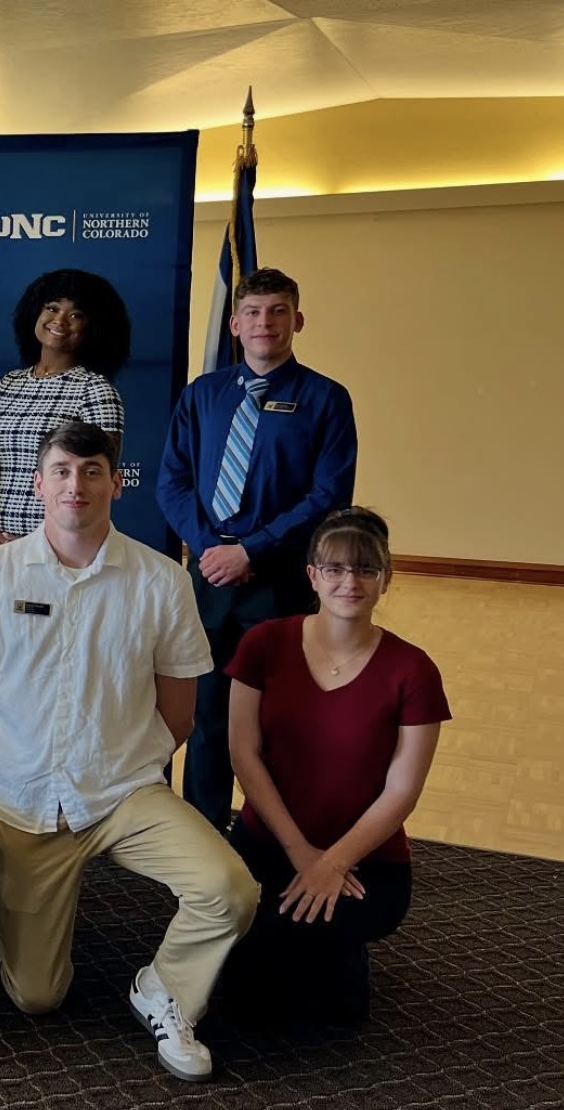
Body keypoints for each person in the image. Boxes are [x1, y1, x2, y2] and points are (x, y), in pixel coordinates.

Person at [0, 421, 257, 1083]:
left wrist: (119, 762)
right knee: (35, 996)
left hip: (123, 793)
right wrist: (31, 755)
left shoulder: (160, 582)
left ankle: (166, 990)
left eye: (91, 471)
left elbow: (178, 711)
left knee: (228, 891)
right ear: (37, 484)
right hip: (22, 798)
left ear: (117, 483)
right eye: (61, 470)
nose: (75, 485)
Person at [222, 508, 448, 1023]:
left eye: (366, 570)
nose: (350, 582)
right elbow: (244, 754)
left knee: (325, 1003)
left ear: (386, 580)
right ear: (312, 576)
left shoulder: (413, 669)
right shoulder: (264, 644)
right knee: (242, 967)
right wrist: (303, 853)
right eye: (335, 569)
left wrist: (333, 862)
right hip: (270, 840)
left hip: (366, 859)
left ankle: (338, 959)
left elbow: (401, 792)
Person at [156, 267, 358, 831]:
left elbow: (329, 493)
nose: (264, 323)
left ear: (297, 320)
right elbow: (172, 482)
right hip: (210, 577)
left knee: (281, 710)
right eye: (253, 313)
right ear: (234, 324)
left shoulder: (325, 399)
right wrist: (208, 548)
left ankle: (278, 829)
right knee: (208, 709)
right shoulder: (203, 396)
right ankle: (203, 827)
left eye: (276, 312)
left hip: (281, 578)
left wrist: (252, 550)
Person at [0, 269, 130, 548]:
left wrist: (52, 542)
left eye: (76, 314)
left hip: (63, 549)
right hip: (0, 549)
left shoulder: (94, 390)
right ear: (35, 312)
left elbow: (97, 480)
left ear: (92, 326)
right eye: (52, 308)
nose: (60, 320)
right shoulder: (5, 386)